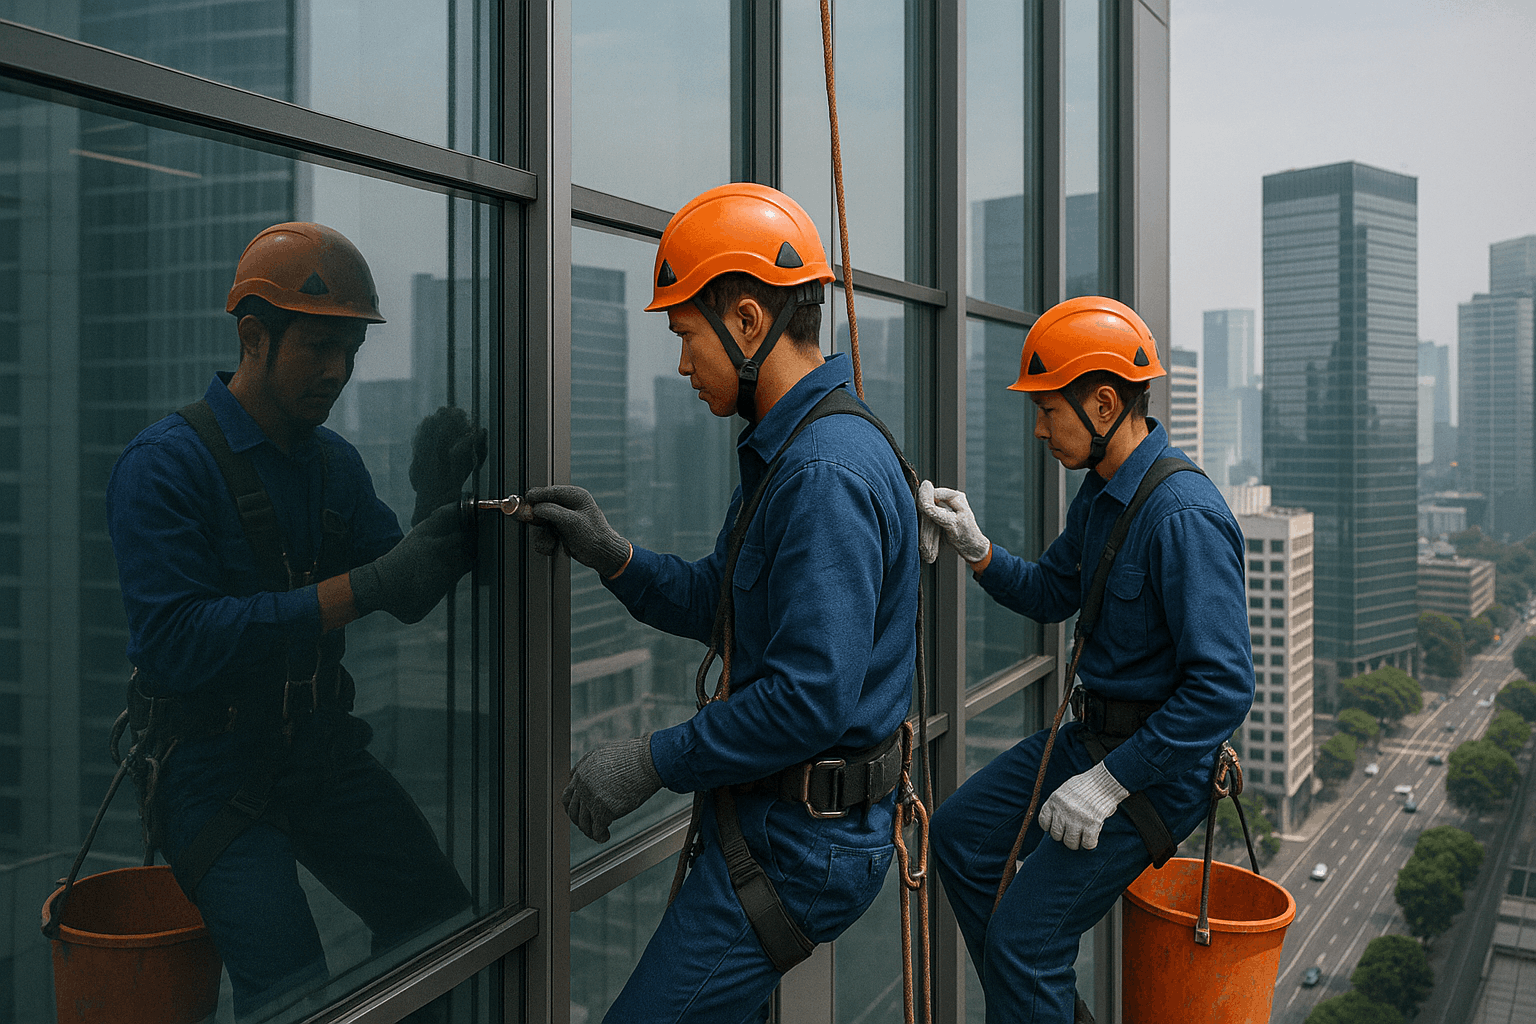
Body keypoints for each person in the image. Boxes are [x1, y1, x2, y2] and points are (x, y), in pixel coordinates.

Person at [525, 183, 920, 1022]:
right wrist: (617, 557)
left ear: (748, 322)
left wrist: (650, 762)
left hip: (800, 846)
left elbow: (810, 698)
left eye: (685, 335)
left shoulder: (821, 472)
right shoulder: (804, 448)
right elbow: (730, 603)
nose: (679, 364)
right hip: (793, 826)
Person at [107, 222, 479, 1020]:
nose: (339, 372)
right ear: (253, 337)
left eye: (351, 351)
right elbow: (177, 641)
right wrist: (368, 582)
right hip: (209, 771)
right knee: (295, 993)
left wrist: (434, 510)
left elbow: (403, 590)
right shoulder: (164, 466)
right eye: (318, 348)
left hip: (314, 750)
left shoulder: (331, 465)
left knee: (440, 927)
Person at [918, 295, 1253, 1023]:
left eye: (1049, 409)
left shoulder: (1183, 517)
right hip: (1096, 743)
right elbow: (1053, 591)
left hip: (1155, 774)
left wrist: (1109, 784)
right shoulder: (1102, 494)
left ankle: (1027, 985)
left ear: (1104, 402)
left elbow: (1223, 687)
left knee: (1025, 942)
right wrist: (979, 550)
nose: (1038, 427)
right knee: (960, 836)